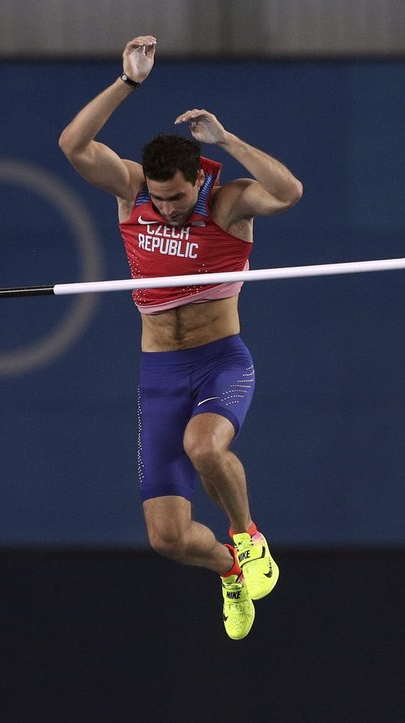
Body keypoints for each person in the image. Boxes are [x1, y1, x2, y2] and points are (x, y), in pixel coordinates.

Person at [58, 35, 303, 640]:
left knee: (205, 447)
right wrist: (128, 83)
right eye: (158, 197)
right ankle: (228, 569)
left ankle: (248, 539)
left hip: (220, 362)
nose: (165, 208)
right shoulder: (132, 190)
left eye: (176, 197)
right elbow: (72, 145)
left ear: (199, 180)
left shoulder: (227, 206)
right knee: (167, 537)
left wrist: (227, 140)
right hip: (159, 374)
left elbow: (289, 192)